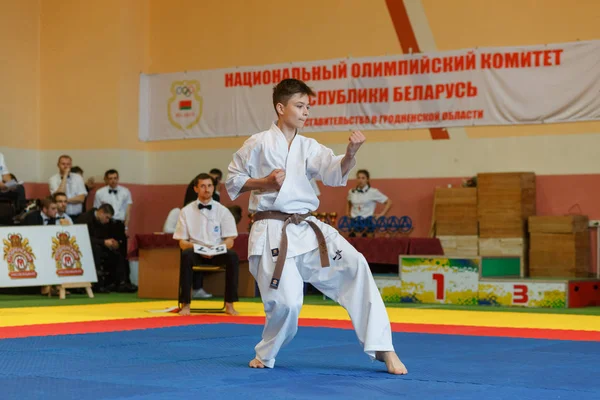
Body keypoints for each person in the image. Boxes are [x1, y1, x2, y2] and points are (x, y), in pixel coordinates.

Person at [225, 78, 407, 374]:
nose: (306, 112)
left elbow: (334, 172)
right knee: (287, 303)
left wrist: (350, 154)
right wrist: (264, 183)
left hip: (308, 230)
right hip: (272, 229)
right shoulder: (257, 143)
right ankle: (267, 352)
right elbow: (233, 180)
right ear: (280, 107)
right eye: (300, 106)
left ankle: (384, 349)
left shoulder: (309, 146)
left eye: (308, 106)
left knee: (356, 266)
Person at [174, 173, 239, 315]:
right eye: (202, 186)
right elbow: (182, 242)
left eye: (209, 186)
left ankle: (230, 303)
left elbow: (230, 240)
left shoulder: (223, 211)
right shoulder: (186, 211)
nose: (207, 189)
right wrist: (198, 248)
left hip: (217, 251)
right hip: (195, 251)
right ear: (196, 189)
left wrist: (216, 249)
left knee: (233, 256)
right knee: (186, 255)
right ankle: (186, 304)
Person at [76, 204, 137, 293]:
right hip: (86, 247)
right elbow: (83, 237)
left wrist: (113, 242)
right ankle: (98, 284)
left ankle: (121, 283)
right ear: (101, 212)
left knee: (117, 253)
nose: (108, 221)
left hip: (101, 245)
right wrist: (103, 242)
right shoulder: (84, 218)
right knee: (96, 250)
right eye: (107, 217)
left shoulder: (106, 223)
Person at [48, 155, 87, 220]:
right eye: (63, 164)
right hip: (61, 216)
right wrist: (65, 175)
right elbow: (59, 195)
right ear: (58, 165)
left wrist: (64, 201)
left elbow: (81, 198)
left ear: (71, 165)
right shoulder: (53, 179)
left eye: (68, 164)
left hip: (78, 216)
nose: (66, 166)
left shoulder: (78, 178)